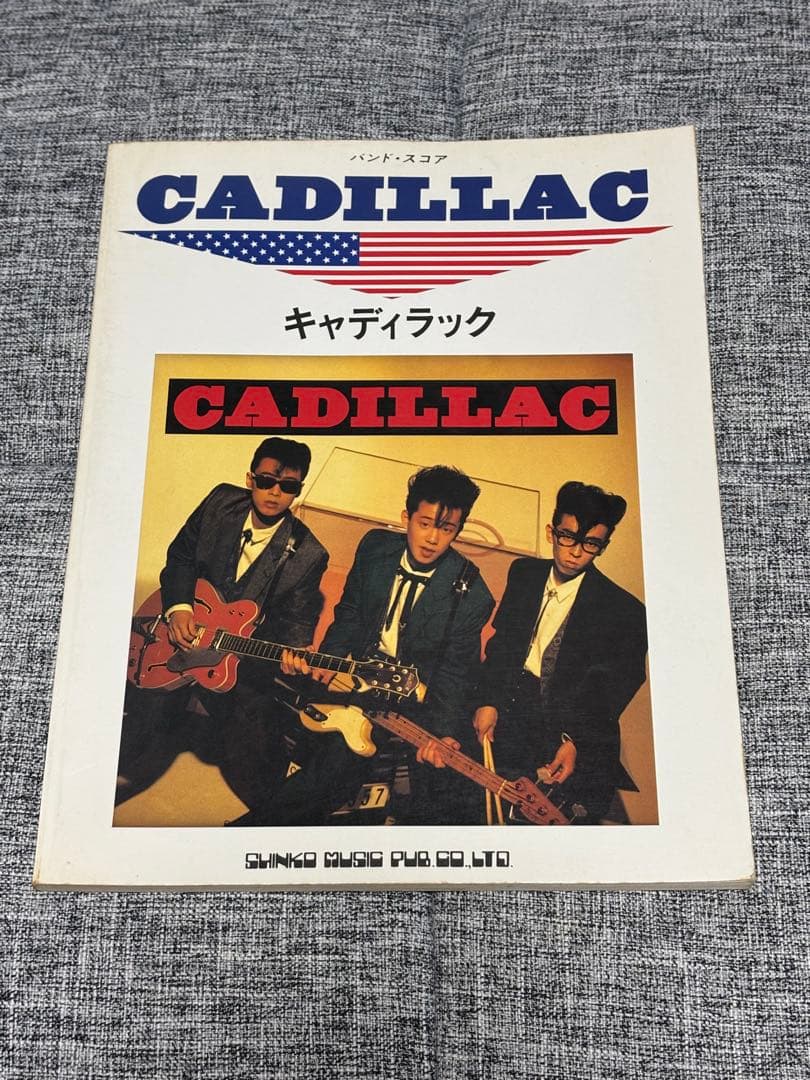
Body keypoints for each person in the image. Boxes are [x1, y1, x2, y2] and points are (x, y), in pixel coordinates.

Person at [253, 464, 495, 826]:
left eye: (446, 529)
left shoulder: (474, 595)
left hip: (414, 701)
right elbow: (349, 612)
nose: (432, 539)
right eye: (424, 523)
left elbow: (455, 675)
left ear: (458, 530)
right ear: (406, 518)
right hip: (356, 675)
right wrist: (331, 659)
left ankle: (253, 831)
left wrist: (444, 733)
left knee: (342, 761)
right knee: (263, 706)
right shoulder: (375, 547)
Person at [117, 436, 329, 812]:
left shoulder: (309, 554)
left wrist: (292, 653)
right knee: (138, 731)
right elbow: (181, 556)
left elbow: (295, 623)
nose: (274, 492)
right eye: (266, 480)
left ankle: (272, 826)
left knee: (258, 755)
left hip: (238, 661)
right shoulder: (220, 503)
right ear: (250, 478)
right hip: (175, 639)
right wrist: (179, 608)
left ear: (298, 490)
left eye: (288, 486)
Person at [473, 480, 648, 824]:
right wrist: (488, 700)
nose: (576, 552)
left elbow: (614, 689)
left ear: (603, 546)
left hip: (573, 727)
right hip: (512, 712)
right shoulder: (523, 573)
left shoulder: (624, 610)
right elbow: (502, 645)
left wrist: (575, 740)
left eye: (591, 543)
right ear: (551, 532)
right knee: (487, 811)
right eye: (567, 537)